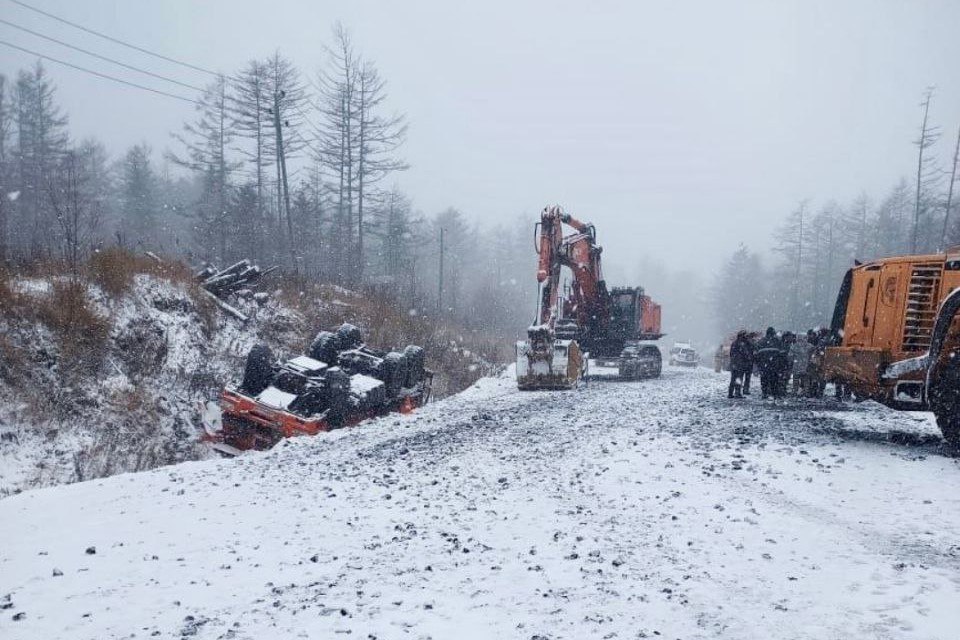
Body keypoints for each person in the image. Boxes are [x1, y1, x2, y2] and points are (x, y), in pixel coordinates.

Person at [754, 327, 783, 399]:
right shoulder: (777, 341)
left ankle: (764, 393)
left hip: (764, 365)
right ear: (773, 333)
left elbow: (757, 355)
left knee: (764, 379)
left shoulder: (761, 341)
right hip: (774, 365)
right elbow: (781, 354)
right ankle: (775, 393)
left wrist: (758, 364)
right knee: (774, 380)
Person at [728, 330, 753, 398]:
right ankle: (737, 392)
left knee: (733, 378)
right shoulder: (742, 344)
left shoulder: (734, 343)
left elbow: (730, 354)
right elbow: (746, 354)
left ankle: (730, 393)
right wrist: (749, 359)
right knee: (739, 378)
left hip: (734, 363)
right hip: (740, 364)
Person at [789, 331, 813, 395]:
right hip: (806, 366)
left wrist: (793, 361)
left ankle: (795, 391)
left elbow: (790, 356)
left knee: (796, 380)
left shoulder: (794, 346)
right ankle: (806, 392)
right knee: (806, 380)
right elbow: (813, 356)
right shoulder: (810, 346)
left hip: (796, 366)